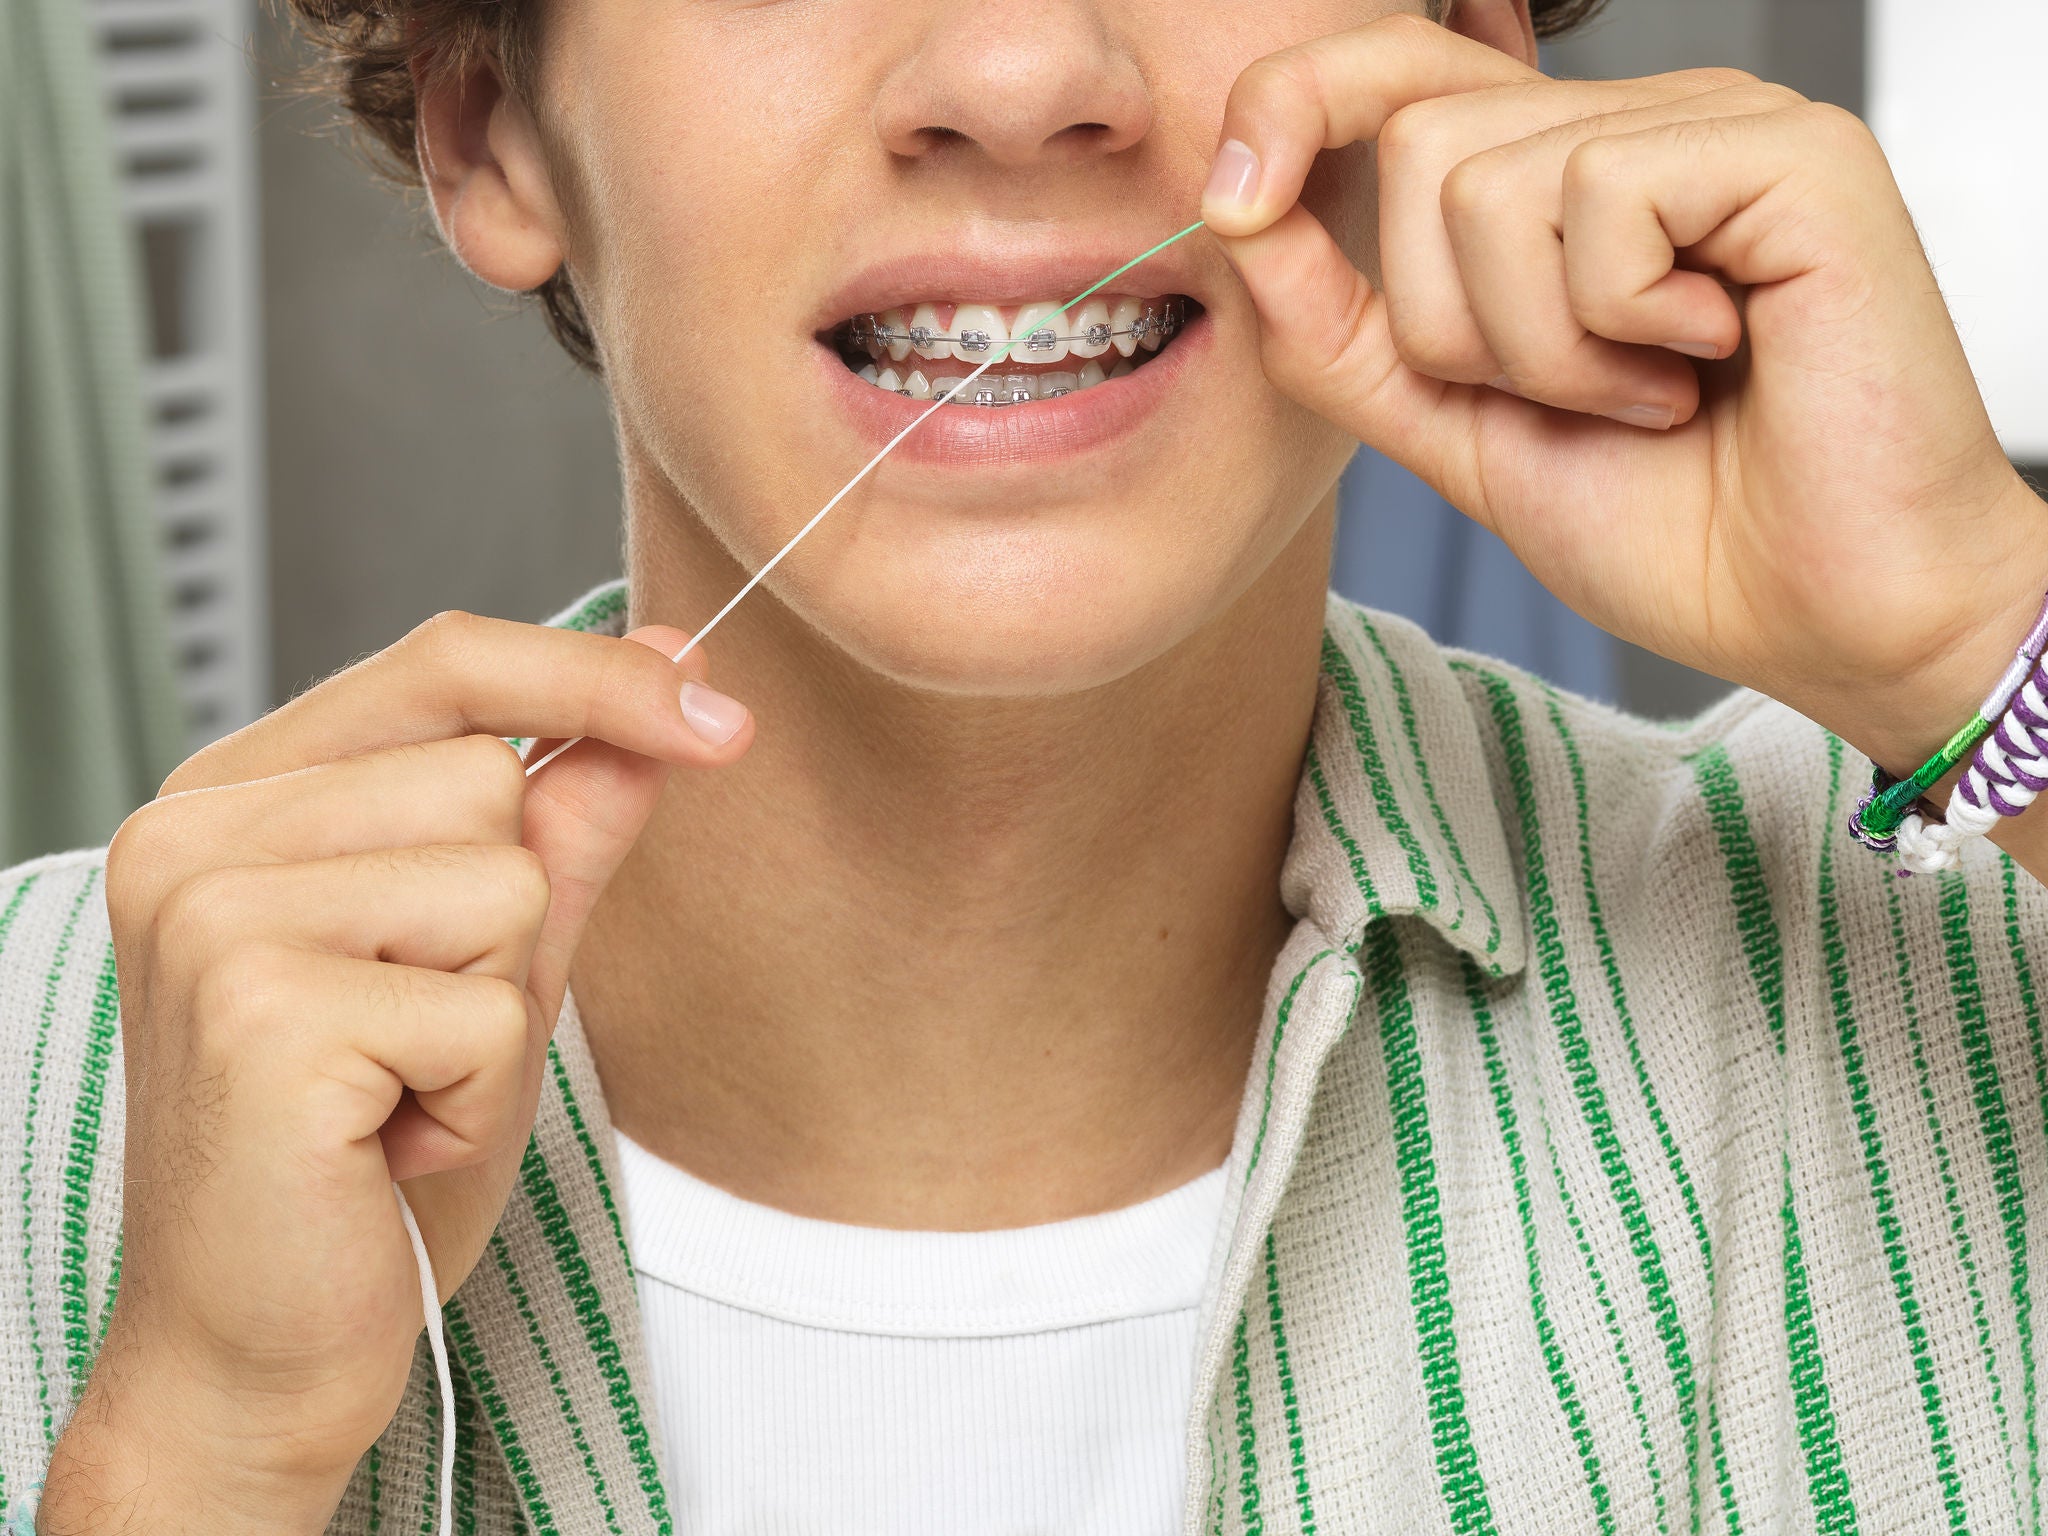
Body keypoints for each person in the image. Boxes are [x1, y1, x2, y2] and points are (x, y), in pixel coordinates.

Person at [8, 0, 2047, 1528]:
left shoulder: (1952, 959)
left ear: (1470, 61)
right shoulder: (38, 1074)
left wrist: (1984, 628)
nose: (1012, 66)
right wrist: (198, 1453)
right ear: (490, 129)